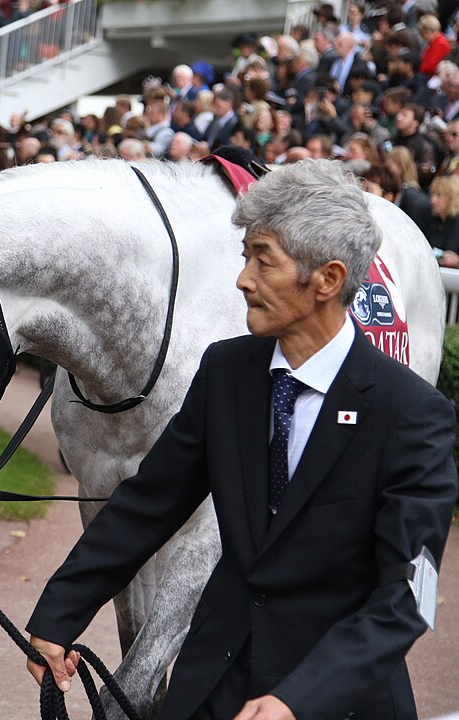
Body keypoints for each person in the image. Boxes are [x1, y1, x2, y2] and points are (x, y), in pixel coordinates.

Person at [26, 159, 457, 720]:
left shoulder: (413, 415)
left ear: (327, 279)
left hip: (340, 698)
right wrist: (60, 614)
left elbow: (405, 599)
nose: (243, 279)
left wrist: (298, 700)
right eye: (245, 256)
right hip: (212, 683)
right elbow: (148, 503)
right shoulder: (226, 371)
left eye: (263, 259)